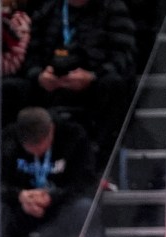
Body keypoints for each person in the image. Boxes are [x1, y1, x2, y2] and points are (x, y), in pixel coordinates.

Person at [22, 0, 135, 162]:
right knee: (14, 88)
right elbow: (31, 57)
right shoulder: (48, 10)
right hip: (52, 83)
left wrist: (93, 76)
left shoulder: (113, 8)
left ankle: (102, 156)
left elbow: (124, 57)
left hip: (94, 85)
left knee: (113, 84)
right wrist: (40, 75)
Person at [0, 106, 101, 237]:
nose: (37, 151)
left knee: (86, 209)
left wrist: (53, 197)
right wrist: (20, 195)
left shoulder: (73, 136)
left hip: (61, 204)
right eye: (30, 146)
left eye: (40, 144)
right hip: (21, 205)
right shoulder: (8, 139)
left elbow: (84, 183)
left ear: (51, 129)